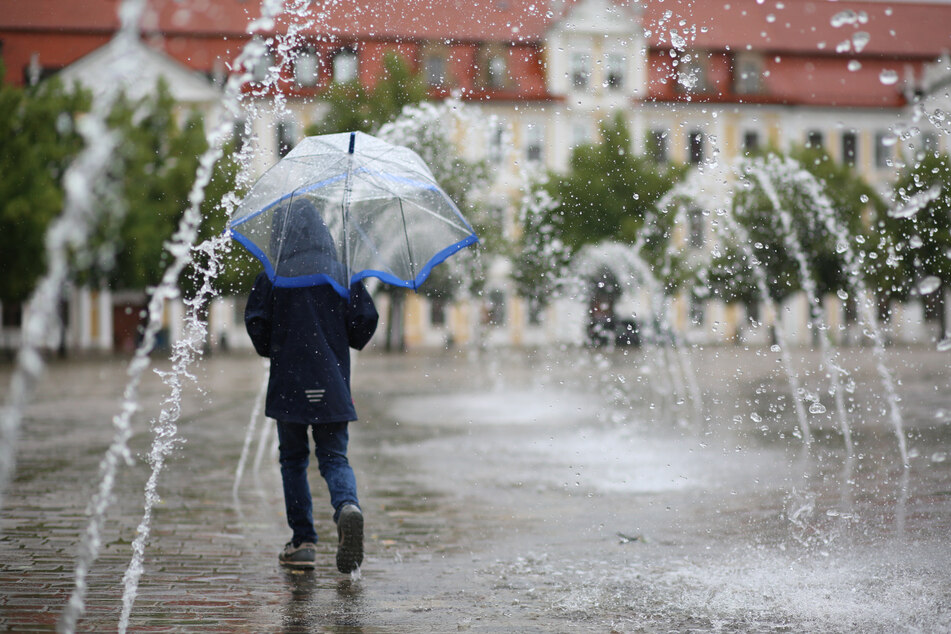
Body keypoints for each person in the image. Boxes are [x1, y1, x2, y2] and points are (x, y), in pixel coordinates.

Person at [245, 197, 378, 573]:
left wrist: (277, 345)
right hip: (332, 384)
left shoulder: (273, 274)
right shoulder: (341, 273)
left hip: (289, 382)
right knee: (334, 457)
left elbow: (256, 323)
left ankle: (303, 541)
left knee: (293, 460)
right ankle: (346, 506)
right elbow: (364, 323)